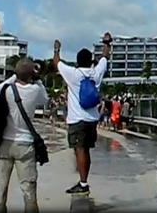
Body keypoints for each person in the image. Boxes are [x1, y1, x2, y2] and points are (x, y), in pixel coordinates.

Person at [53, 32, 111, 196]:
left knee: (80, 150)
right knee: (85, 150)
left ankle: (83, 183)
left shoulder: (73, 74)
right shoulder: (96, 73)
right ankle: (83, 180)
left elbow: (56, 63)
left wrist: (57, 49)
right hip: (92, 119)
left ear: (78, 61)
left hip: (77, 119)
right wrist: (107, 42)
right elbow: (105, 57)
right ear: (91, 61)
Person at [0, 59, 48, 213]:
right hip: (25, 144)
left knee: (1, 190)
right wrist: (38, 78)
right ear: (31, 75)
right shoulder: (34, 90)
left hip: (5, 143)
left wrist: (14, 75)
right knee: (28, 190)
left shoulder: (7, 90)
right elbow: (45, 99)